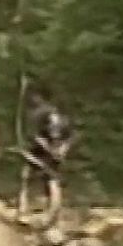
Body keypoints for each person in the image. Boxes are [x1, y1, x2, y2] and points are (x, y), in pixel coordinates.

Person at [18, 85, 74, 227]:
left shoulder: (43, 114)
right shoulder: (62, 119)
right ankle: (48, 215)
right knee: (48, 180)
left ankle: (29, 212)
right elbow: (68, 138)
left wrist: (54, 150)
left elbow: (36, 135)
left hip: (43, 153)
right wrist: (60, 150)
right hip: (50, 153)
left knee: (31, 178)